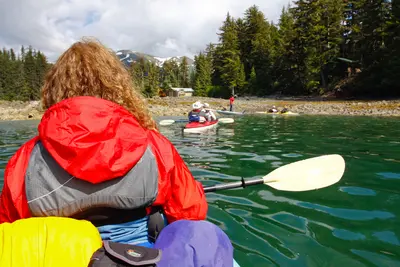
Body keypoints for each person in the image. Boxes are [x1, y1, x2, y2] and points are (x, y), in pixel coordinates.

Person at [0, 38, 208, 249]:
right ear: (118, 87)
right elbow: (191, 213)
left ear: (54, 90)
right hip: (138, 255)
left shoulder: (26, 157)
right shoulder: (155, 146)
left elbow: (9, 227)